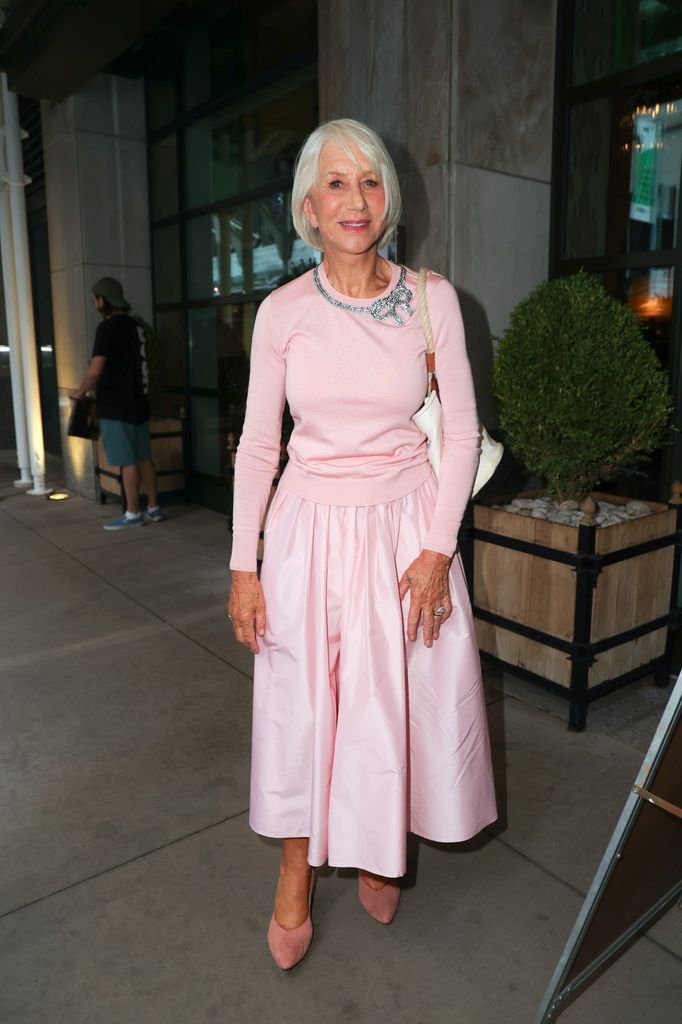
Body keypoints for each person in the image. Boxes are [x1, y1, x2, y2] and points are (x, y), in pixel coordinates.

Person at [228, 119, 497, 970]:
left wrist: (435, 549)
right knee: (307, 710)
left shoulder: (430, 299)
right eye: (336, 184)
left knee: (396, 703)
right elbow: (258, 447)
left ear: (389, 199)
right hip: (307, 535)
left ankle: (384, 850)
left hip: (406, 534)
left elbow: (460, 434)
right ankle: (295, 876)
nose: (355, 200)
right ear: (308, 206)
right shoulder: (281, 313)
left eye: (370, 182)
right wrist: (244, 565)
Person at [69, 277, 162, 530]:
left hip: (116, 407)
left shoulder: (106, 329)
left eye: (95, 299)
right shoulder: (136, 326)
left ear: (102, 300)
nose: (95, 303)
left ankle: (132, 513)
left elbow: (96, 369)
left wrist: (79, 392)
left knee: (127, 461)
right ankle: (153, 508)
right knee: (144, 458)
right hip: (139, 404)